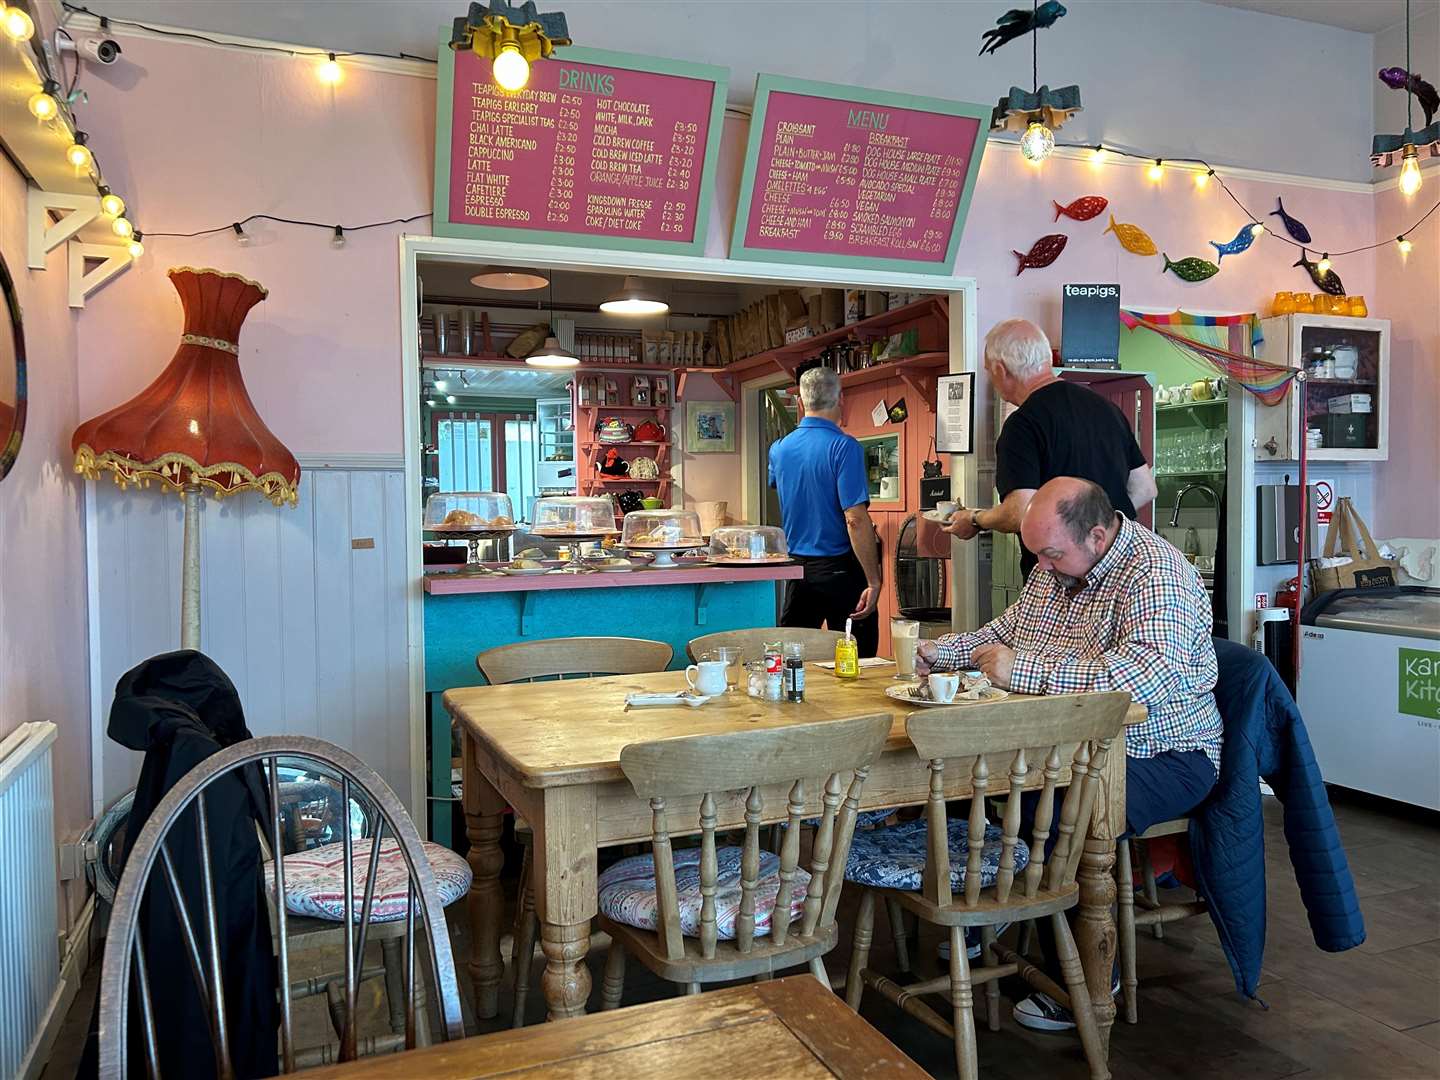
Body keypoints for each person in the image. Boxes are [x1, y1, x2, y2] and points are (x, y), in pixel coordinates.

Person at [918, 477, 1222, 1030]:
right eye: (1038, 554)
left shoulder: (1158, 575)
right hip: (1067, 748)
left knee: (1057, 816)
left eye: (1052, 553)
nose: (1044, 567)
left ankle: (1079, 978)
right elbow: (1006, 630)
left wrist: (1022, 669)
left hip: (1163, 750)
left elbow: (1139, 682)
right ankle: (1011, 903)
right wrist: (940, 654)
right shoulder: (1054, 566)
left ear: (1099, 535)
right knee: (965, 792)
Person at [944, 319, 1157, 578]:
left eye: (989, 370)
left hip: (1057, 577)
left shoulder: (1023, 424)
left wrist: (974, 519)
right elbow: (1145, 488)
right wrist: (1096, 528)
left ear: (1001, 369)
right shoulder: (1106, 409)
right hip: (1117, 567)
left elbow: (1018, 512)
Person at [768, 366, 883, 656]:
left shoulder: (779, 449)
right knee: (857, 662)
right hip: (841, 569)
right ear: (841, 399)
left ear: (799, 403)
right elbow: (855, 520)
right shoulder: (844, 447)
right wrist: (873, 580)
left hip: (797, 570)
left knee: (792, 662)